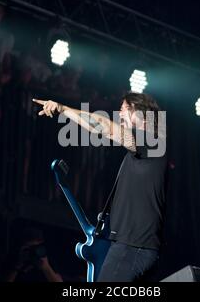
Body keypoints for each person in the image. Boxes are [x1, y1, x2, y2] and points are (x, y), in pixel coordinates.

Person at [32, 92, 167, 282]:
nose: (120, 115)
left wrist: (62, 109)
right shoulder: (142, 153)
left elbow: (104, 127)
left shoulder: (152, 142)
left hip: (131, 248)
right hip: (133, 247)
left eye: (126, 110)